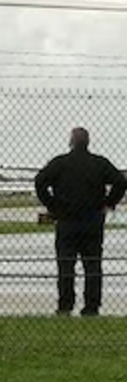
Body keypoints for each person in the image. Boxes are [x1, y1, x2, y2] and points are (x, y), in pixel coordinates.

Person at [34, 127, 126, 317]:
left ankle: (65, 305)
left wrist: (52, 205)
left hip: (66, 221)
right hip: (92, 220)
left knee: (66, 265)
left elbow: (40, 181)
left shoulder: (60, 163)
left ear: (71, 141)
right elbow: (121, 181)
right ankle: (92, 306)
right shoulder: (99, 163)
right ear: (88, 142)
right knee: (92, 265)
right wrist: (108, 203)